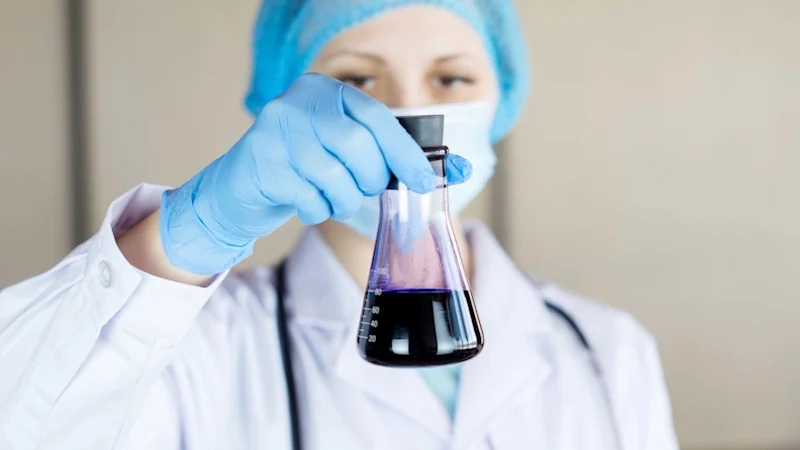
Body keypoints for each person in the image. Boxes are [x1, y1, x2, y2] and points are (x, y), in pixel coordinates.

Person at [0, 1, 679, 449]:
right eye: (357, 79)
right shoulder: (199, 347)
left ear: (503, 100)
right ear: (285, 102)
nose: (403, 114)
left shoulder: (606, 350)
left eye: (450, 80)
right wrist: (193, 231)